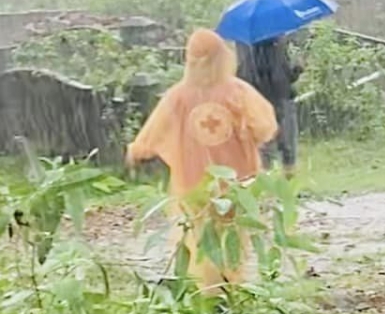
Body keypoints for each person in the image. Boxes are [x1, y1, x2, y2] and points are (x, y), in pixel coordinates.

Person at [128, 29, 278, 286]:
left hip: (193, 182)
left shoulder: (177, 96)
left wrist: (136, 151)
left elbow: (153, 132)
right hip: (236, 182)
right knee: (233, 236)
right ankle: (231, 286)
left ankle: (207, 290)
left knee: (199, 238)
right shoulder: (238, 92)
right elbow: (264, 128)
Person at [235, 34, 302, 175]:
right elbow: (283, 78)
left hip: (270, 102)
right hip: (277, 101)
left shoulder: (248, 54)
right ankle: (285, 183)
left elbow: (242, 79)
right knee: (283, 146)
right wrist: (295, 70)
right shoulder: (271, 51)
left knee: (269, 147)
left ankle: (273, 184)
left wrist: (295, 70)